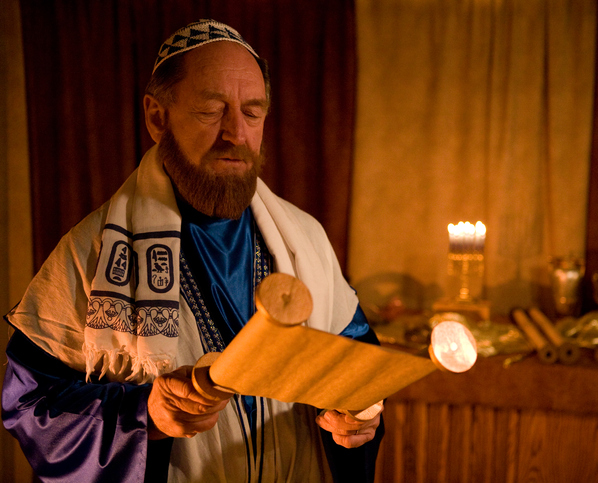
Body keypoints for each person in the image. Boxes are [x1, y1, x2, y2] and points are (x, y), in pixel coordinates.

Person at [2, 19, 383, 482]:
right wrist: (147, 416)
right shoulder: (93, 252)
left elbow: (358, 370)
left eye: (253, 112)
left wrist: (357, 418)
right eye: (210, 111)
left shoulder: (306, 237)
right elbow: (29, 404)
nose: (236, 134)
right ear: (157, 117)